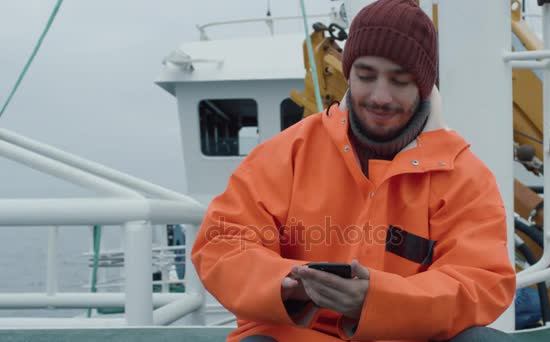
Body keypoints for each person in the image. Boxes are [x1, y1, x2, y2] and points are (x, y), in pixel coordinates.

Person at [191, 0, 516, 341]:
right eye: (366, 76)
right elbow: (222, 242)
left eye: (400, 80)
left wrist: (377, 301)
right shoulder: (287, 153)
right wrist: (284, 282)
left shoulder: (464, 177)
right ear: (349, 74)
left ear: (423, 85)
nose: (380, 96)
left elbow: (481, 280)